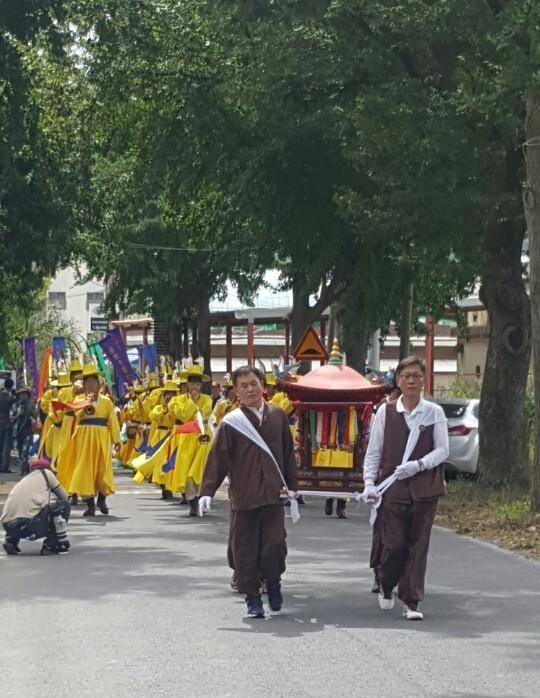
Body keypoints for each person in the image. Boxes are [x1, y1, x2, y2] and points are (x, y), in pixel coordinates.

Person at [199, 366, 297, 619]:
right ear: (236, 391)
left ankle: (273, 582)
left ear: (262, 385)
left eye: (254, 383)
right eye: (243, 386)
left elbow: (288, 454)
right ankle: (252, 598)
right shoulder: (231, 422)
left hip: (274, 494)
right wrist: (207, 490)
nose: (250, 389)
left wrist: (293, 487)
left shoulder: (277, 415)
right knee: (245, 548)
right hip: (245, 495)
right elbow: (218, 458)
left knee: (275, 544)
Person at [363, 355, 449, 621]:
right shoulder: (385, 412)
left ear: (424, 380)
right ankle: (386, 582)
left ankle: (411, 601)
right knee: (394, 544)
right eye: (406, 376)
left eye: (417, 376)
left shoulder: (434, 413)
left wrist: (419, 465)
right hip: (393, 488)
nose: (411, 380)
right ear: (398, 381)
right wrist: (369, 483)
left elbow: (443, 450)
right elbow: (374, 451)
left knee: (418, 546)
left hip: (425, 489)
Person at [61, 364, 121, 516]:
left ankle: (102, 499)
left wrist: (117, 440)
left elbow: (113, 420)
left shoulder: (106, 401)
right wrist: (85, 403)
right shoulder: (79, 399)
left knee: (103, 468)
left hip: (102, 436)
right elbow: (76, 414)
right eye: (87, 382)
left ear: (99, 383)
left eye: (93, 381)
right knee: (85, 468)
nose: (91, 385)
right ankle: (90, 505)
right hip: (84, 436)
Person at [1, 457, 70, 555]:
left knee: (21, 511)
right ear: (48, 468)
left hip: (8, 526)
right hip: (29, 526)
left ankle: (11, 541)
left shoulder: (24, 480)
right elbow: (64, 497)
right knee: (63, 506)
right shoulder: (46, 473)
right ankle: (50, 545)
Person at [11, 386, 38, 476]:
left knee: (25, 451)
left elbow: (35, 416)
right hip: (17, 432)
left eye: (25, 394)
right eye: (21, 394)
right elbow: (11, 418)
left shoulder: (30, 405)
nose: (23, 396)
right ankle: (25, 467)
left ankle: (23, 470)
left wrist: (33, 409)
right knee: (19, 452)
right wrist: (18, 415)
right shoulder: (15, 406)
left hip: (28, 432)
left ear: (27, 395)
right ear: (18, 396)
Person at [0, 377, 15, 472]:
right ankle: (4, 467)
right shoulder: (11, 399)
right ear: (11, 387)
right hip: (7, 424)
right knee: (6, 447)